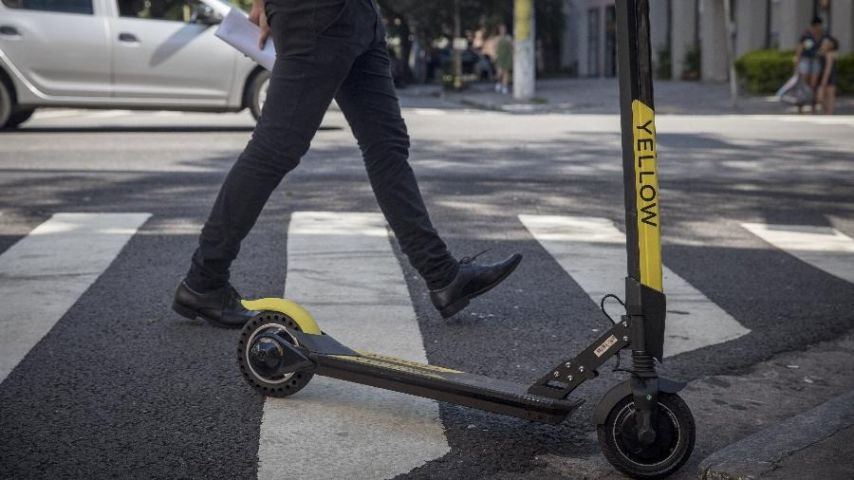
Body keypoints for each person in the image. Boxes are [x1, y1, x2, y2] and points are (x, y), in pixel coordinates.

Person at [172, 0, 522, 328]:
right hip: (318, 15)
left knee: (387, 145)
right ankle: (205, 279)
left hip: (359, 15)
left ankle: (443, 277)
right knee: (276, 147)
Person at [794, 17, 825, 113]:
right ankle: (801, 104)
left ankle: (813, 105)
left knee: (814, 84)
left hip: (815, 60)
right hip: (805, 60)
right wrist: (797, 64)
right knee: (803, 82)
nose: (818, 28)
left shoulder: (821, 36)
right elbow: (800, 49)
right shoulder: (806, 35)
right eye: (817, 26)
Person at [817, 35, 839, 115]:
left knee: (829, 95)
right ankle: (826, 112)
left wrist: (824, 80)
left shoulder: (830, 54)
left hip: (829, 76)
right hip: (822, 75)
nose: (824, 44)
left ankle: (829, 112)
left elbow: (828, 68)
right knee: (822, 96)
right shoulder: (822, 53)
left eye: (826, 43)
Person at [494, 24, 513, 95]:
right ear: (499, 30)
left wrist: (512, 55)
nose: (503, 30)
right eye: (501, 29)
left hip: (507, 57)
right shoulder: (497, 38)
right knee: (499, 72)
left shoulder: (508, 38)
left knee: (506, 73)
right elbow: (495, 48)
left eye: (504, 29)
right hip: (500, 57)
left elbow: (512, 47)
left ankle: (504, 87)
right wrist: (495, 55)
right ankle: (498, 82)